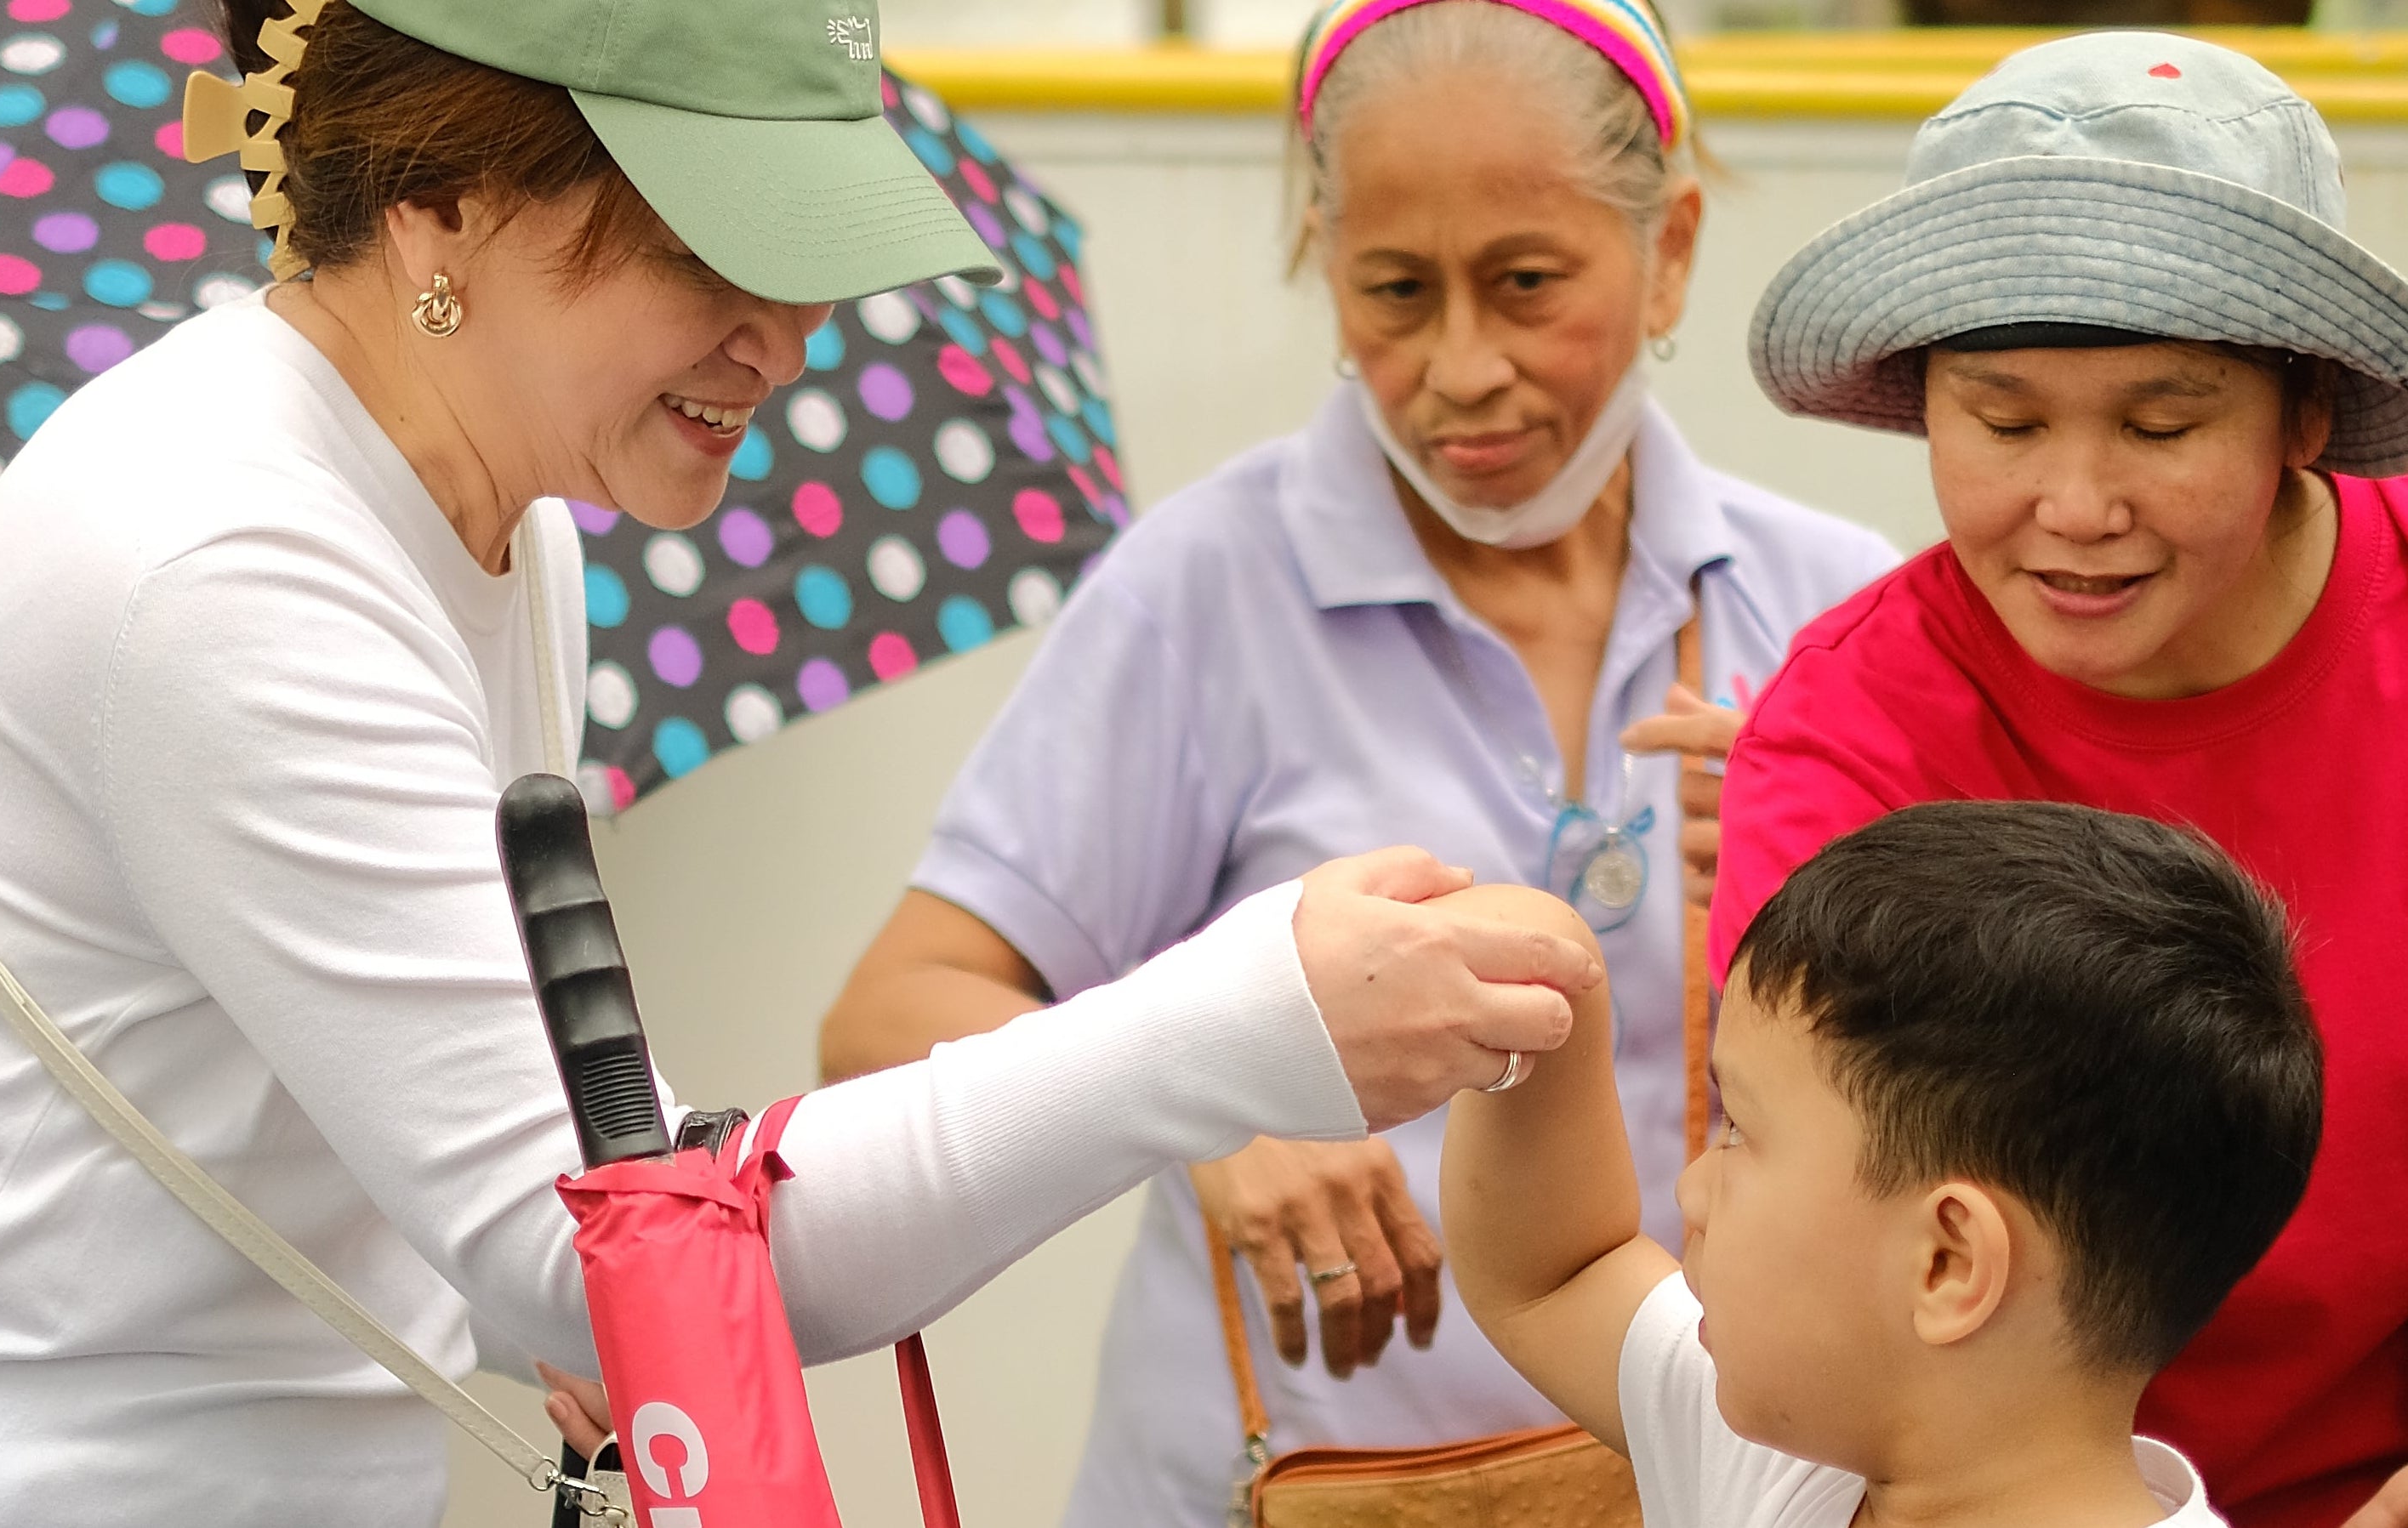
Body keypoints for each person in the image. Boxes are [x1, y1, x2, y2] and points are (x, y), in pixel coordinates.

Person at [0, 4, 1606, 1526]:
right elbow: (600, 1248)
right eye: (713, 245)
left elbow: (584, 1194)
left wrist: (582, 1254)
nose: (781, 335)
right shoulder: (223, 567)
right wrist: (1244, 1017)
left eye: (811, 260)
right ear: (443, 197)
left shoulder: (508, 527)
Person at [815, 1, 1896, 1521]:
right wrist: (1202, 1103)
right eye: (1394, 291)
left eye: (1527, 286)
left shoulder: (1834, 608)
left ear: (1672, 251)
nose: (1460, 368)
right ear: (1326, 262)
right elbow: (885, 1021)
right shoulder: (1204, 593)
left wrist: (1826, 872)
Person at [1711, 30, 2408, 1528]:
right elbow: (1823, 1271)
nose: (2076, 508)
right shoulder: (1850, 737)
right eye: (2006, 422)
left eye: (2164, 425)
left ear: (2303, 416)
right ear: (1921, 401)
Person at [1442, 802, 2325, 1528]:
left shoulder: (1784, 1450)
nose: (1691, 1190)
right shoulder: (1786, 1453)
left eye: (1741, 1131)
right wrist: (1534, 952)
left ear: (1947, 1262)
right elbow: (1557, 1271)